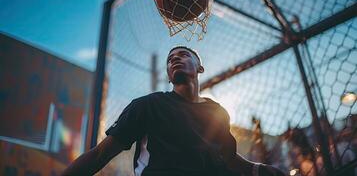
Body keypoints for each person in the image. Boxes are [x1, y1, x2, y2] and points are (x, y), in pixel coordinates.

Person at [62, 46, 285, 176]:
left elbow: (228, 158)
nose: (175, 59)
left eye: (183, 55)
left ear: (200, 68)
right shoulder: (148, 105)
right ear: (169, 75)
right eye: (170, 60)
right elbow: (101, 154)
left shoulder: (217, 112)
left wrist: (259, 170)